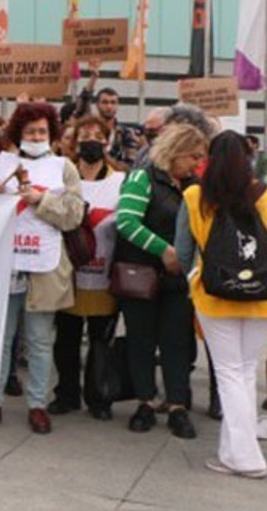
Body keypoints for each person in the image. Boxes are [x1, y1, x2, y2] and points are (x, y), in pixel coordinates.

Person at [0, 103, 84, 434]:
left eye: (42, 131)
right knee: (1, 338)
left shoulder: (64, 168)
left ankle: (37, 404)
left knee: (39, 340)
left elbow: (73, 215)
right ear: (18, 133)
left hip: (44, 265)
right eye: (30, 131)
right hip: (4, 265)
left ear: (51, 134)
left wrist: (41, 201)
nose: (36, 137)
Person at [176, 131, 267, 477]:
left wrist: (190, 280)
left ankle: (246, 457)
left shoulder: (196, 195)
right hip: (260, 298)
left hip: (214, 296)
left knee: (229, 372)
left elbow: (184, 252)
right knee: (243, 372)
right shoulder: (263, 195)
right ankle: (231, 451)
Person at [114, 123, 209, 439]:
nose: (197, 163)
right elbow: (126, 221)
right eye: (193, 156)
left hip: (180, 281)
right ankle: (145, 401)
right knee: (141, 339)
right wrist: (164, 249)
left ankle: (177, 406)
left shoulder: (195, 185)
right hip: (142, 275)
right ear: (176, 150)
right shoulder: (143, 177)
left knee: (178, 343)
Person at [49, 116, 123, 421]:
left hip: (105, 276)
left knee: (100, 341)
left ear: (107, 141)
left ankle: (98, 396)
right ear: (74, 141)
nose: (91, 140)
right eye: (85, 135)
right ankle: (66, 394)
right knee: (65, 340)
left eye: (98, 135)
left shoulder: (121, 180)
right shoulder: (62, 178)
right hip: (68, 275)